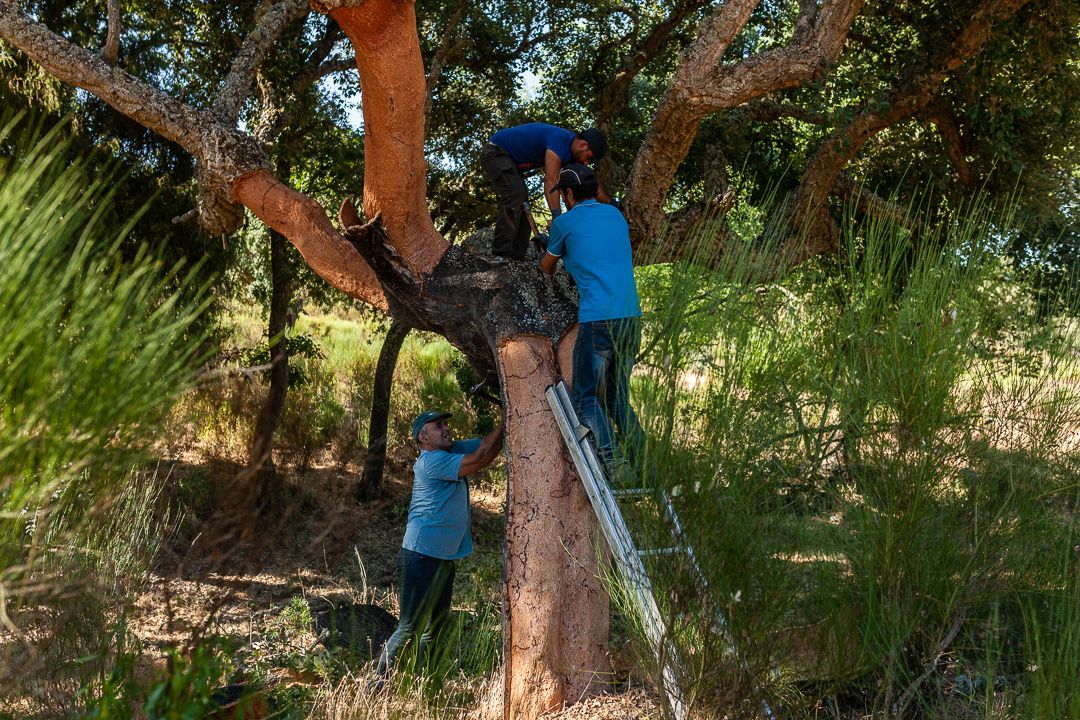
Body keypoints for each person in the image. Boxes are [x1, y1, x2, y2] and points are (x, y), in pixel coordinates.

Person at [376, 409, 505, 683]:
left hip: (442, 558)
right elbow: (482, 457)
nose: (446, 428)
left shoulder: (449, 450)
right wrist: (509, 418)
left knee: (435, 627)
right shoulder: (431, 461)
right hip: (420, 556)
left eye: (446, 423)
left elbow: (485, 443)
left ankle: (426, 684)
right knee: (409, 627)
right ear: (424, 437)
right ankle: (376, 684)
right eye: (438, 426)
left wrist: (507, 421)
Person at [540, 163, 646, 478]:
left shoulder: (564, 224)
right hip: (631, 318)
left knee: (586, 398)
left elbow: (546, 266)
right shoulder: (616, 216)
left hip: (598, 320)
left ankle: (615, 463)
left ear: (569, 193)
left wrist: (553, 238)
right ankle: (643, 463)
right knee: (616, 397)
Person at [480, 122, 608, 260]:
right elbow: (551, 179)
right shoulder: (559, 139)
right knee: (515, 194)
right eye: (589, 158)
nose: (587, 163)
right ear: (583, 145)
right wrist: (557, 217)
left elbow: (588, 180)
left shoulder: (572, 154)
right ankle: (500, 255)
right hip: (496, 153)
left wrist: (611, 202)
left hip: (510, 161)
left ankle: (516, 258)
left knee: (523, 204)